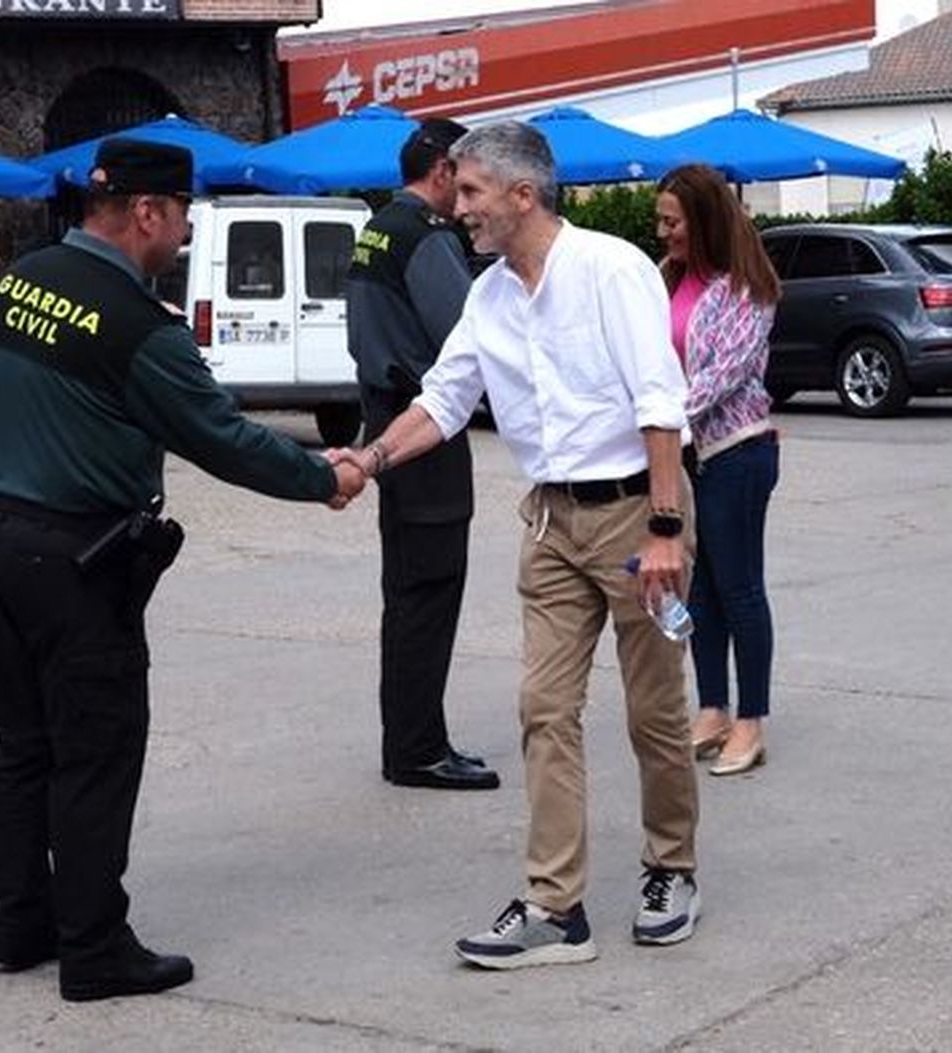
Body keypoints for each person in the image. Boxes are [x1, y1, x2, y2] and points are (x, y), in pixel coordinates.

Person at [0, 139, 364, 1003]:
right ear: (146, 212)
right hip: (78, 562)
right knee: (96, 752)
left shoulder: (19, 280)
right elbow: (222, 437)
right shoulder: (138, 326)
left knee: (23, 745)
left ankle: (20, 924)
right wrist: (323, 478)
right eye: (181, 216)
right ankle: (95, 946)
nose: (185, 234)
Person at [343, 122, 701, 968]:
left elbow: (660, 402)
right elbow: (443, 399)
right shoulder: (490, 297)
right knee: (544, 707)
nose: (457, 207)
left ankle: (671, 868)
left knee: (653, 710)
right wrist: (369, 459)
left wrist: (664, 529)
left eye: (470, 191)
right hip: (550, 522)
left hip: (636, 517)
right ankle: (554, 905)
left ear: (522, 194)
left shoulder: (610, 269)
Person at [345, 117, 498, 791]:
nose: (465, 201)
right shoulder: (426, 236)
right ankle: (419, 748)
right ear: (441, 171)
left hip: (386, 413)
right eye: (463, 180)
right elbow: (469, 333)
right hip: (424, 424)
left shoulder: (377, 227)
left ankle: (407, 741)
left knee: (406, 592)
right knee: (429, 593)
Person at [654, 165, 781, 777]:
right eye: (660, 221)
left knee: (739, 586)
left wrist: (656, 423)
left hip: (737, 451)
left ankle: (750, 721)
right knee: (698, 587)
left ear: (703, 220)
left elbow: (720, 376)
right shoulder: (666, 277)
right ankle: (712, 709)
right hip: (685, 454)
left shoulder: (747, 288)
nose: (663, 233)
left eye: (672, 221)